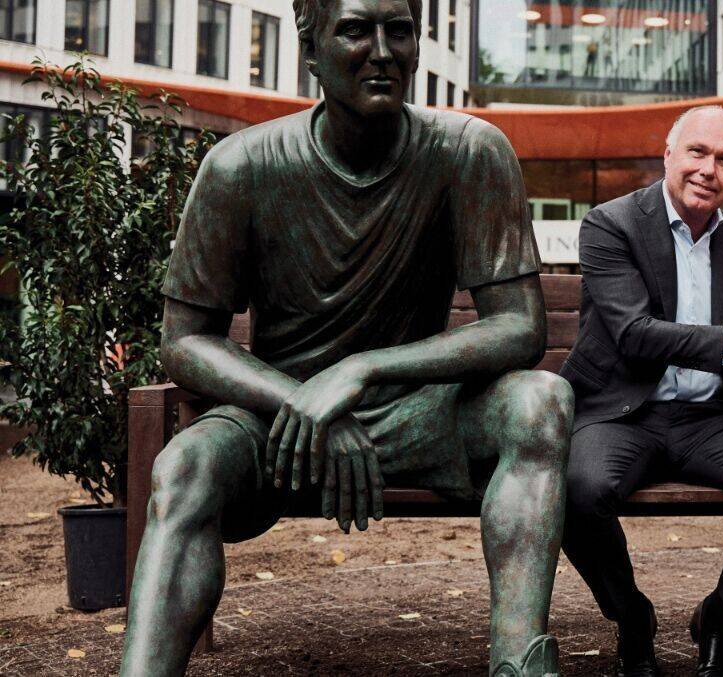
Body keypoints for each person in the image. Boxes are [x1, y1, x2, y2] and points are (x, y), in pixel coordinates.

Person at [120, 1, 572, 675]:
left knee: (541, 401)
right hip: (278, 425)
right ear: (310, 50)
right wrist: (299, 398)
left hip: (412, 412)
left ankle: (521, 665)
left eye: (400, 31)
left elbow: (521, 327)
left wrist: (360, 370)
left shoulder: (470, 152)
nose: (383, 51)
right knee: (182, 468)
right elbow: (183, 341)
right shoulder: (239, 167)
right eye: (357, 29)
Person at [560, 105, 723, 677]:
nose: (709, 169)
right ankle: (632, 615)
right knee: (578, 490)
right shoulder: (611, 224)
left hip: (710, 418)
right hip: (621, 413)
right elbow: (633, 335)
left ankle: (718, 615)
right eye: (698, 153)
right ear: (669, 155)